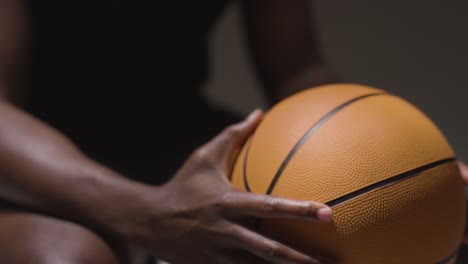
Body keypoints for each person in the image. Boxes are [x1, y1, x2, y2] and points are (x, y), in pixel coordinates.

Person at [0, 1, 466, 264]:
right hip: (29, 159)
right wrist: (144, 212)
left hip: (181, 143)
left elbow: (297, 69)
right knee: (65, 257)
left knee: (333, 233)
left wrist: (411, 169)